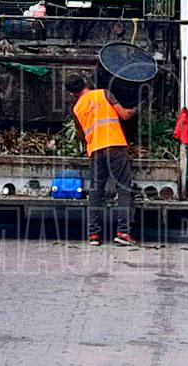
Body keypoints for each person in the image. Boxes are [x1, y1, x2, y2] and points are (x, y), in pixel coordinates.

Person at [66, 74, 137, 247]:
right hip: (115, 146)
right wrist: (137, 108)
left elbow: (81, 134)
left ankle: (93, 235)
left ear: (72, 94)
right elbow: (125, 115)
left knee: (96, 192)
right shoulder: (104, 94)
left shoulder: (77, 108)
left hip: (96, 151)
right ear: (85, 83)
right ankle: (123, 232)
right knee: (123, 188)